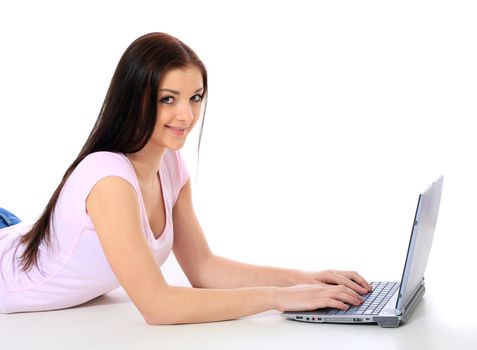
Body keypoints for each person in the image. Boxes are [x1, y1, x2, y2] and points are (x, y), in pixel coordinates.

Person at [0, 32, 372, 324]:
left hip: (17, 236)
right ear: (134, 99)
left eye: (195, 97)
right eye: (168, 99)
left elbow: (204, 268)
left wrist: (305, 280)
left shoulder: (171, 165)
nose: (186, 115)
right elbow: (157, 307)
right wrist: (278, 299)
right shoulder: (108, 179)